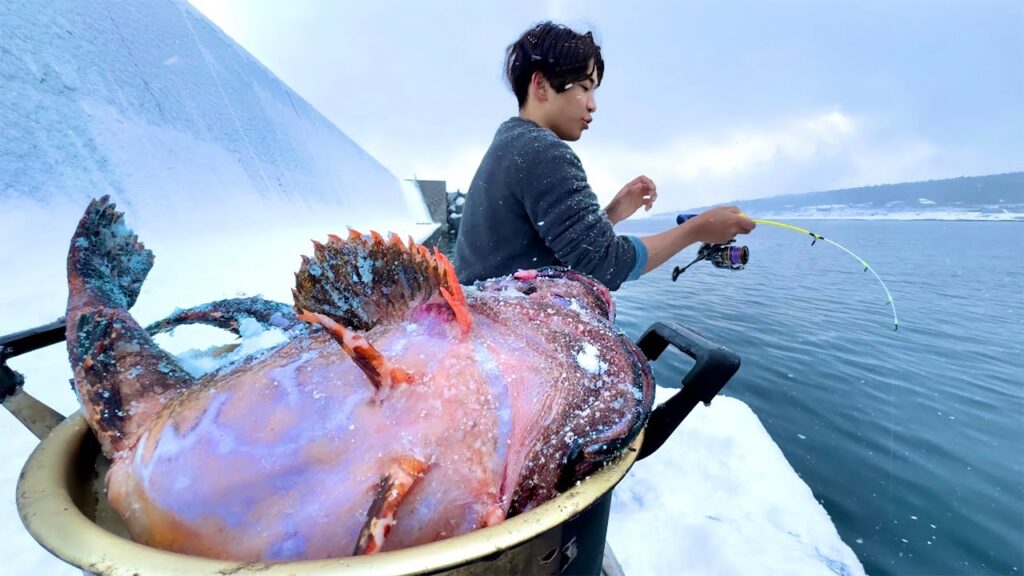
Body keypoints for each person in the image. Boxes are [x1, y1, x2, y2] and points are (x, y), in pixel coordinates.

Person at [454, 21, 755, 290]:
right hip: (506, 334)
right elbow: (605, 264)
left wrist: (612, 214)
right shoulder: (543, 151)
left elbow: (544, 247)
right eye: (585, 87)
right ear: (541, 85)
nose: (593, 105)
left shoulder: (510, 143)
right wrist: (697, 229)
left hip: (485, 321)